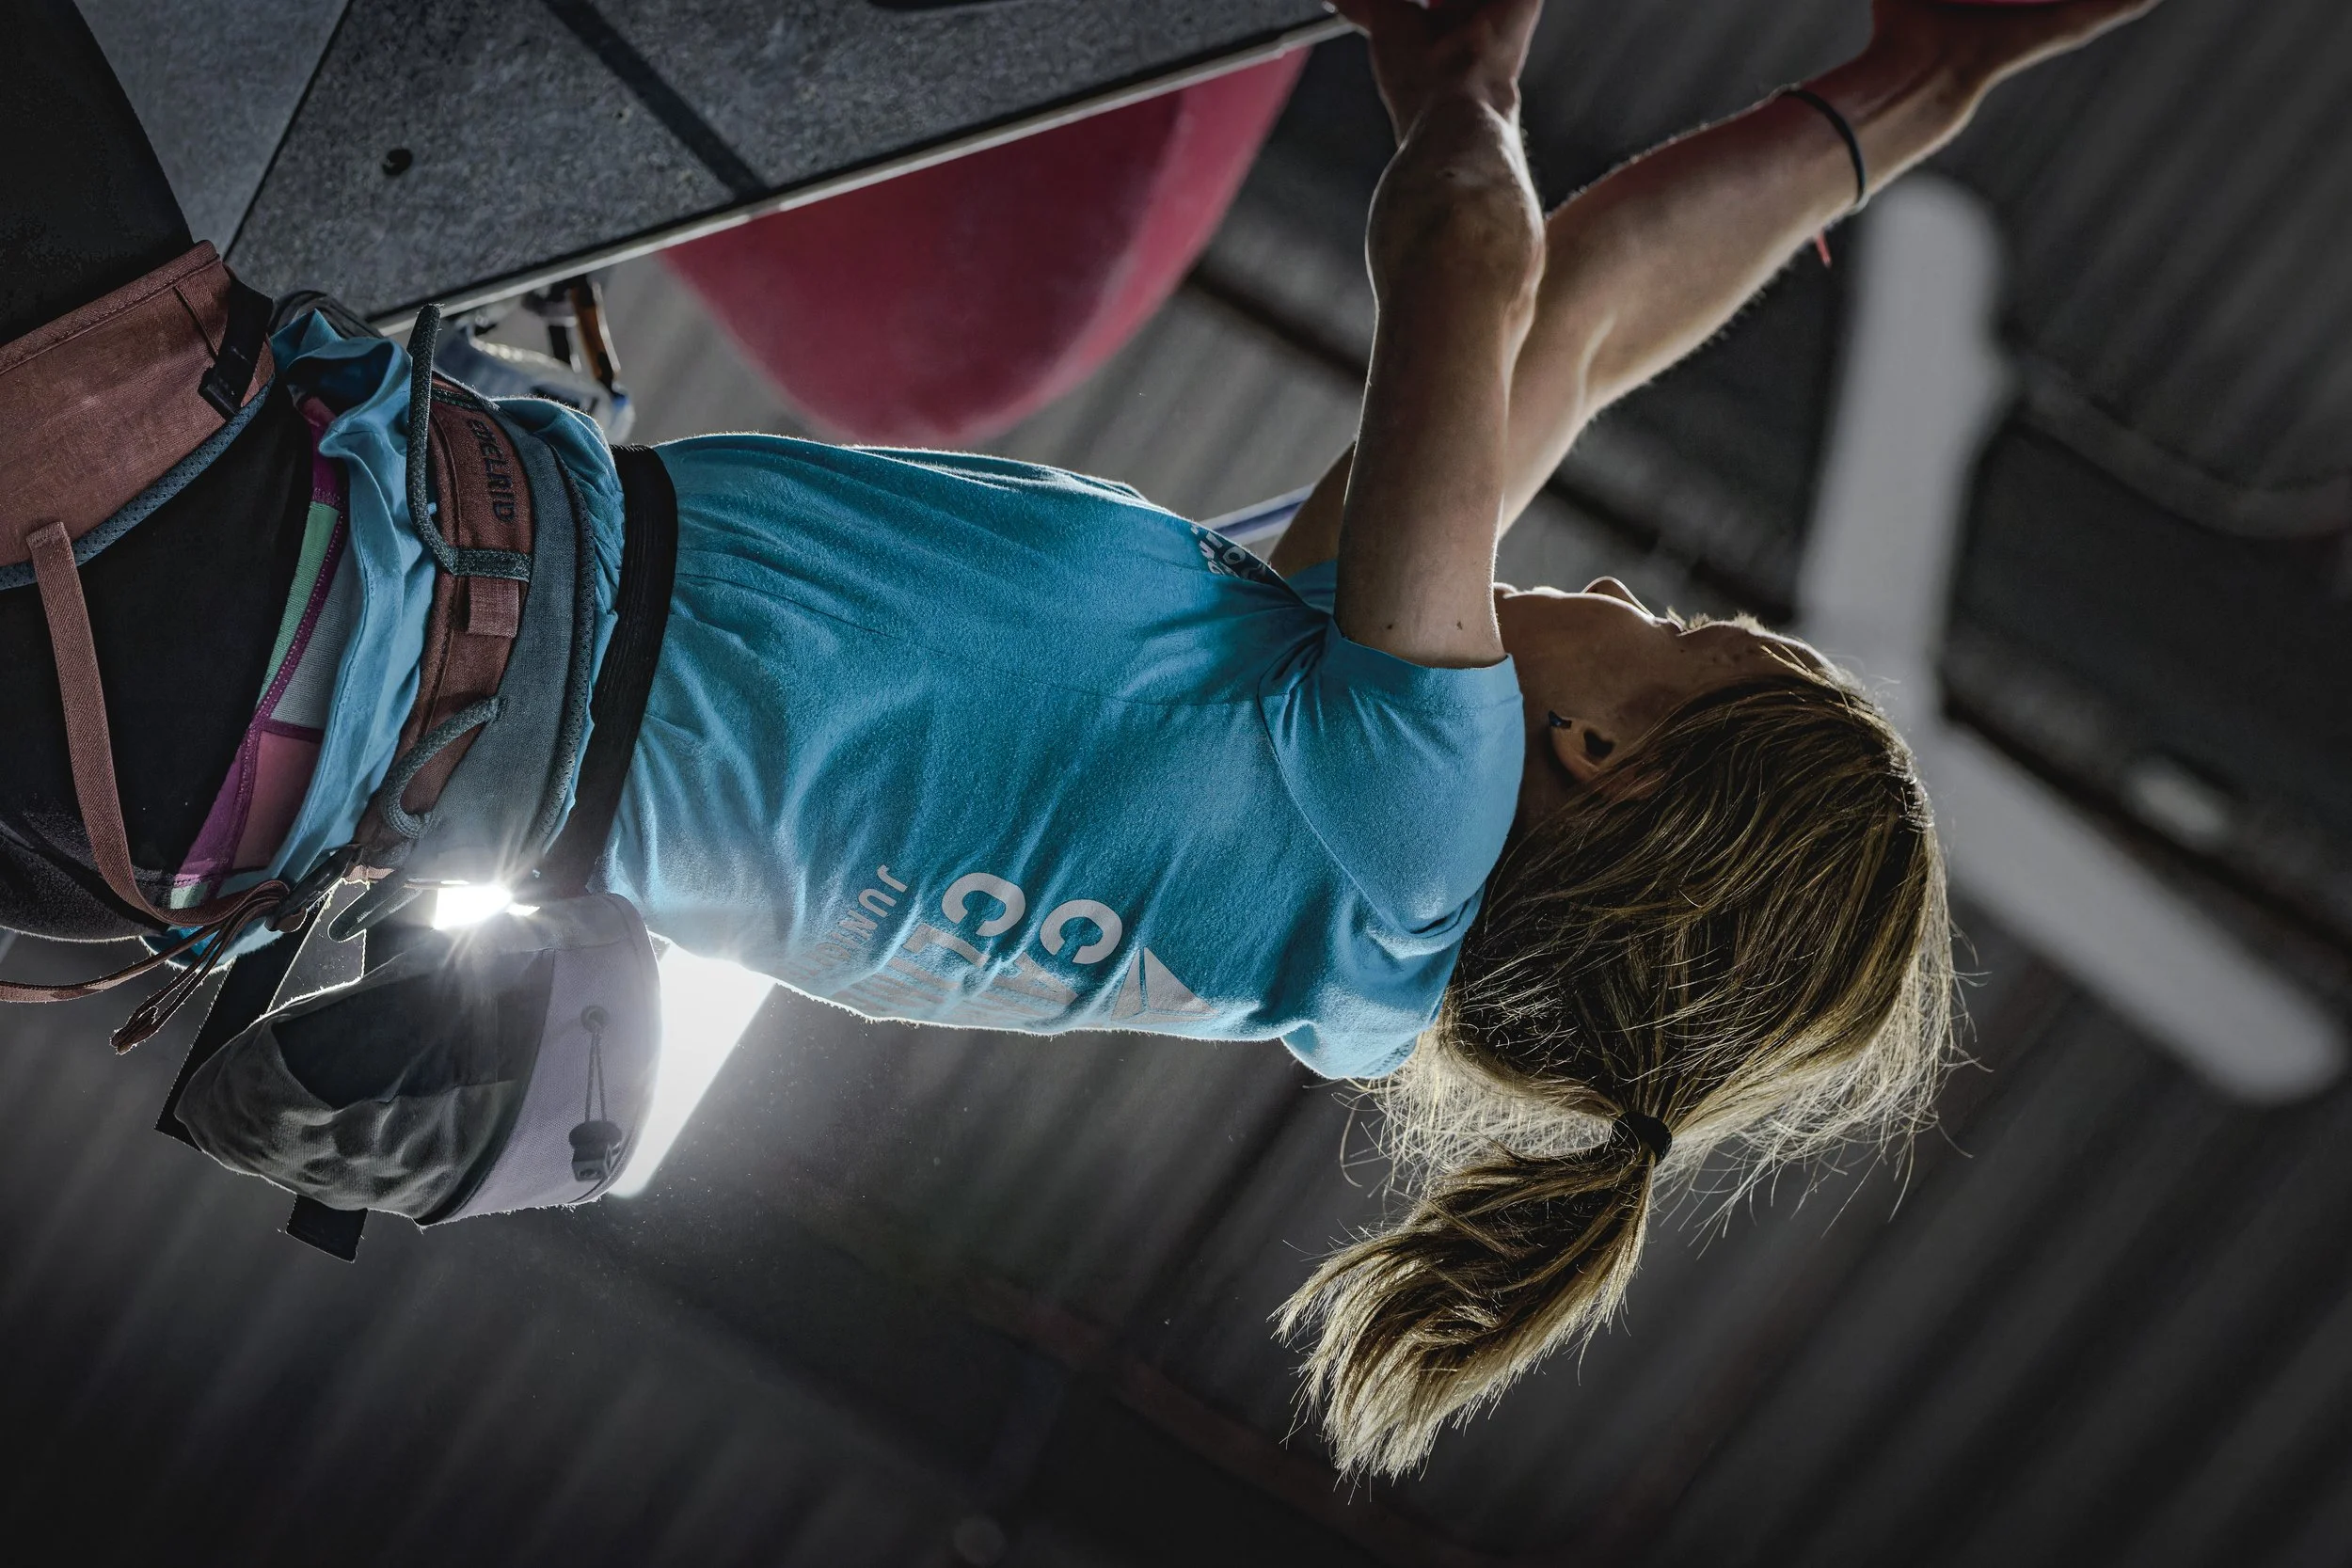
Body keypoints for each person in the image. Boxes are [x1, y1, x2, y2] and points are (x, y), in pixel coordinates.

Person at [0, 0, 2152, 1476]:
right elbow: (1575, 319)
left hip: (279, 621)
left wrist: (1462, 73)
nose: (1614, 596)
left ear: (1602, 763)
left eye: (1669, 639)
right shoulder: (1313, 841)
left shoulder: (1406, 801)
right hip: (236, 728)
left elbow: (1471, 254)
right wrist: (1917, 78)